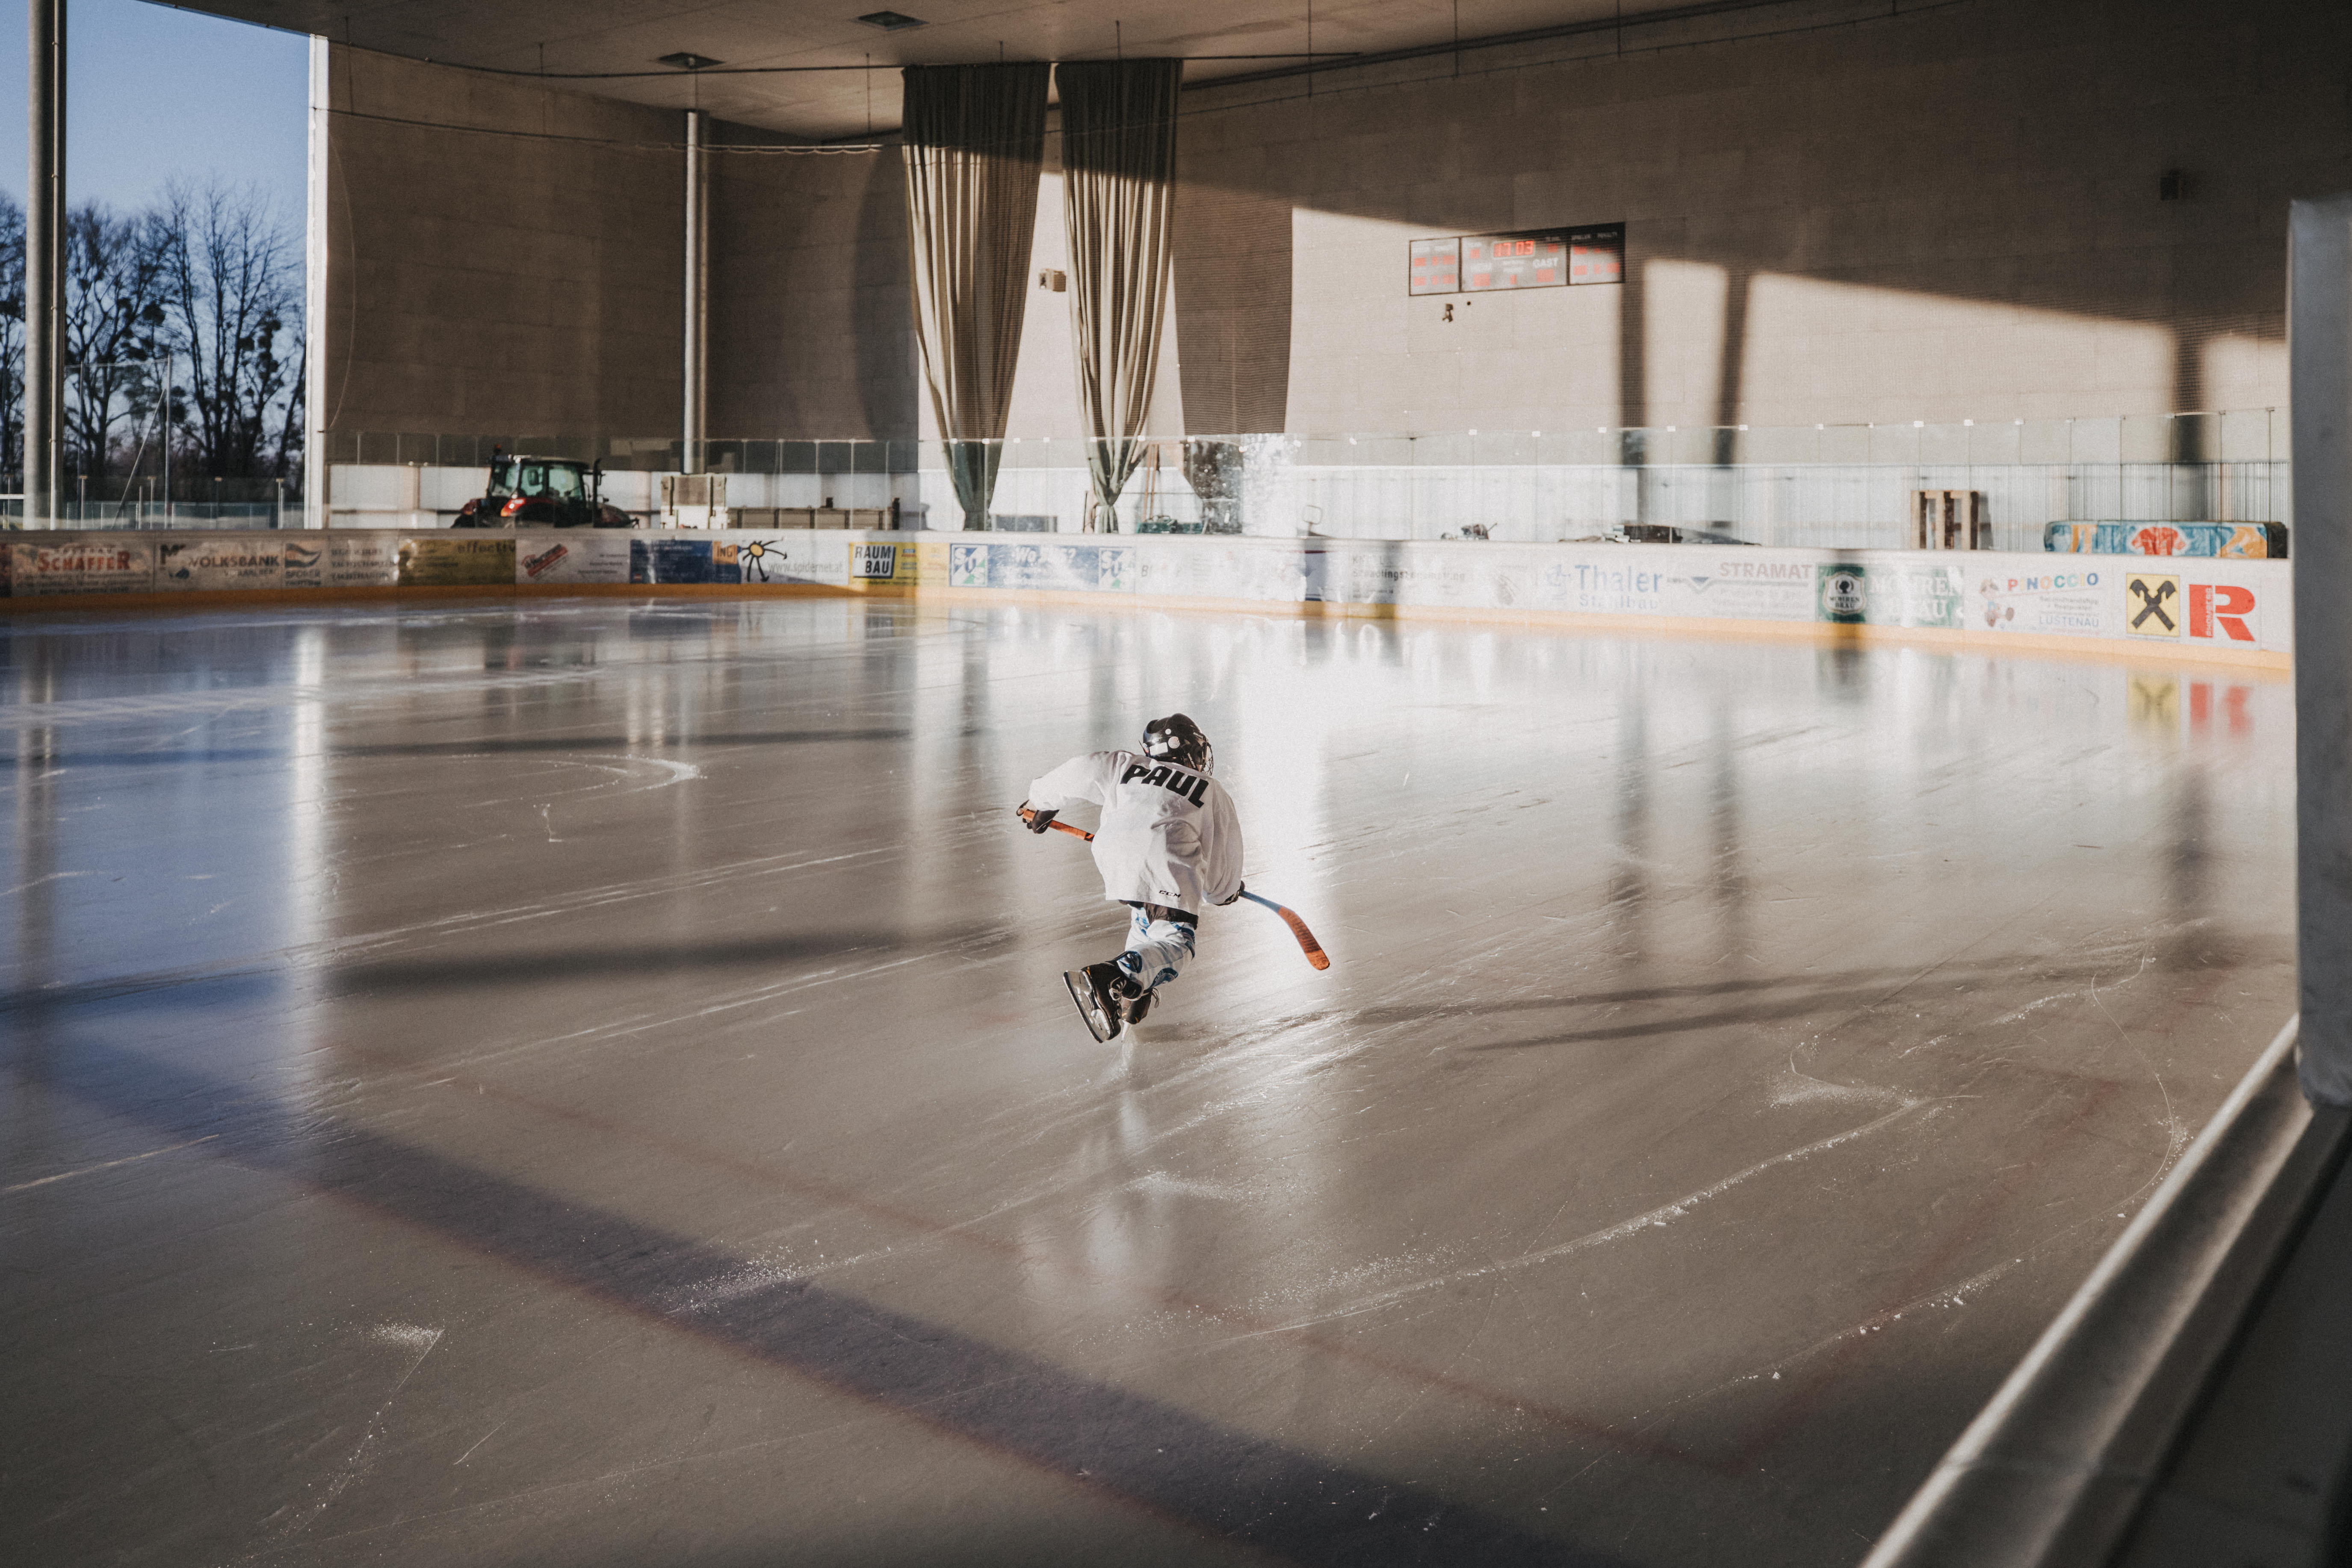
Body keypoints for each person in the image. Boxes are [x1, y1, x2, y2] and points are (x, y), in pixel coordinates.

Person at [1019, 714, 1245, 1040]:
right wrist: (1227, 892)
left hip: (1115, 856)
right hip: (1165, 861)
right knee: (1178, 943)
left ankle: (1133, 988)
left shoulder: (1126, 764)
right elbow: (1222, 870)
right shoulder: (1210, 790)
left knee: (1148, 916)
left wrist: (1041, 802)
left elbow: (1080, 769)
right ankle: (1113, 975)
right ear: (1192, 752)